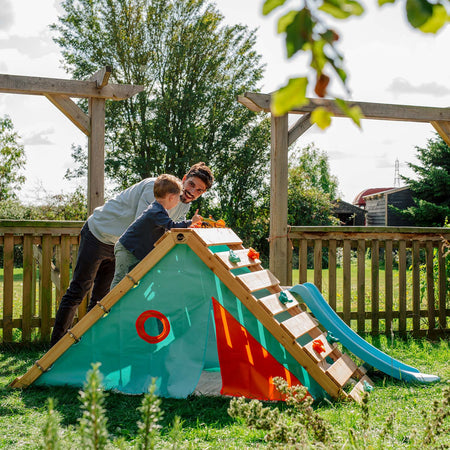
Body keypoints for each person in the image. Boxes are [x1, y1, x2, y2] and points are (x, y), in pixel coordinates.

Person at [50, 162, 213, 346]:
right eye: (191, 184)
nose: (193, 191)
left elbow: (171, 233)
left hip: (123, 246)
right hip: (99, 233)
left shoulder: (183, 206)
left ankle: (88, 347)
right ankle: (54, 349)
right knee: (78, 291)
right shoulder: (156, 188)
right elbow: (144, 227)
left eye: (199, 190)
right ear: (184, 179)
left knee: (102, 300)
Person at [110, 174, 201, 289]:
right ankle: (111, 307)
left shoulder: (159, 210)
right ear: (171, 197)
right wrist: (190, 222)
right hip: (127, 249)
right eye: (178, 198)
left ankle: (120, 305)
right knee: (120, 280)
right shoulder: (156, 211)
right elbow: (172, 226)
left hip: (135, 251)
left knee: (132, 282)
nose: (179, 201)